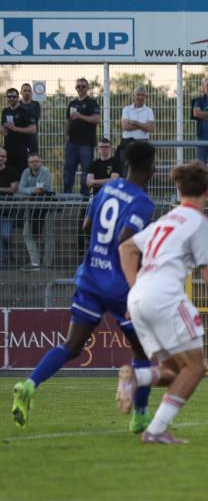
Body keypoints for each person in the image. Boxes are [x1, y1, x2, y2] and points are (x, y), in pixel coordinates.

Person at [11, 142, 156, 432]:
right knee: (143, 352)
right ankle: (140, 417)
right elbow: (127, 239)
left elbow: (87, 225)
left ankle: (29, 384)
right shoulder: (142, 201)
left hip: (89, 277)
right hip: (118, 286)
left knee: (72, 345)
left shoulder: (106, 189)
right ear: (150, 168)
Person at [118, 161, 208, 443]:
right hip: (164, 296)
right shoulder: (200, 223)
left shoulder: (166, 220)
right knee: (196, 368)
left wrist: (136, 288)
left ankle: (136, 377)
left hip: (140, 296)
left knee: (174, 371)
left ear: (179, 190)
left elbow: (127, 247)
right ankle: (155, 431)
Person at [64, 78, 101, 195]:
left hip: (87, 144)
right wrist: (66, 135)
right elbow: (68, 121)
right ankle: (67, 198)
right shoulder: (72, 103)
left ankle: (83, 201)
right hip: (72, 143)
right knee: (68, 171)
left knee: (86, 173)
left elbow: (96, 119)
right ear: (75, 88)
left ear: (88, 88)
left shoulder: (92, 103)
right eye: (78, 86)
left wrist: (80, 116)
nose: (81, 88)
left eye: (83, 86)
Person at [19, 152, 54, 271]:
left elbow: (43, 189)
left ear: (40, 161)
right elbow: (20, 188)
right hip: (31, 207)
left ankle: (47, 264)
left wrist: (29, 190)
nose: (34, 164)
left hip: (46, 207)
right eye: (31, 162)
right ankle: (35, 263)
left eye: (36, 161)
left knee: (48, 235)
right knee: (27, 234)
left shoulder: (45, 171)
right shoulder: (25, 172)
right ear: (28, 163)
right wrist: (33, 190)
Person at [118, 86, 155, 169]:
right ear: (133, 95)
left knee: (142, 170)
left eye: (142, 95)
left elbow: (151, 128)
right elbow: (125, 126)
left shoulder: (149, 111)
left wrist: (135, 122)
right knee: (126, 169)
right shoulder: (126, 109)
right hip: (127, 143)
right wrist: (144, 125)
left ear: (145, 96)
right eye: (138, 95)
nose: (140, 97)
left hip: (143, 143)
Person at [2, 87, 37, 173]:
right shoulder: (5, 111)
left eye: (14, 96)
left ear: (18, 97)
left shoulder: (25, 111)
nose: (11, 99)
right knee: (9, 174)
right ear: (6, 98)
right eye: (9, 97)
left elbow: (33, 129)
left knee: (22, 174)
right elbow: (4, 130)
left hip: (22, 149)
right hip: (8, 149)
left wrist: (14, 128)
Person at [0, 148, 19, 268]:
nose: (0, 158)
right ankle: (1, 264)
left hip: (7, 211)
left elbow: (13, 189)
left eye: (3, 156)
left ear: (6, 158)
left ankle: (10, 252)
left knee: (6, 236)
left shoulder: (11, 171)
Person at [19, 83, 40, 154]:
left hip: (32, 138)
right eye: (24, 90)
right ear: (21, 92)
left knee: (33, 160)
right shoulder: (18, 105)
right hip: (19, 137)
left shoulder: (36, 105)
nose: (27, 92)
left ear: (31, 93)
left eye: (28, 91)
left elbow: (35, 119)